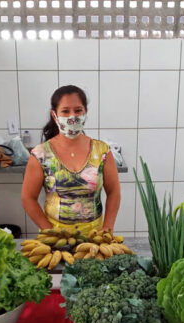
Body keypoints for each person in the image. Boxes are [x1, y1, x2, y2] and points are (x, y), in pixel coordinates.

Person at [22, 85, 120, 236]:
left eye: (78, 110)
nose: (72, 116)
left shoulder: (102, 152)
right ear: (54, 115)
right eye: (65, 111)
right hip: (55, 235)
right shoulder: (41, 154)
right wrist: (49, 231)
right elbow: (28, 198)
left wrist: (107, 227)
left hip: (95, 236)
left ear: (85, 112)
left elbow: (113, 192)